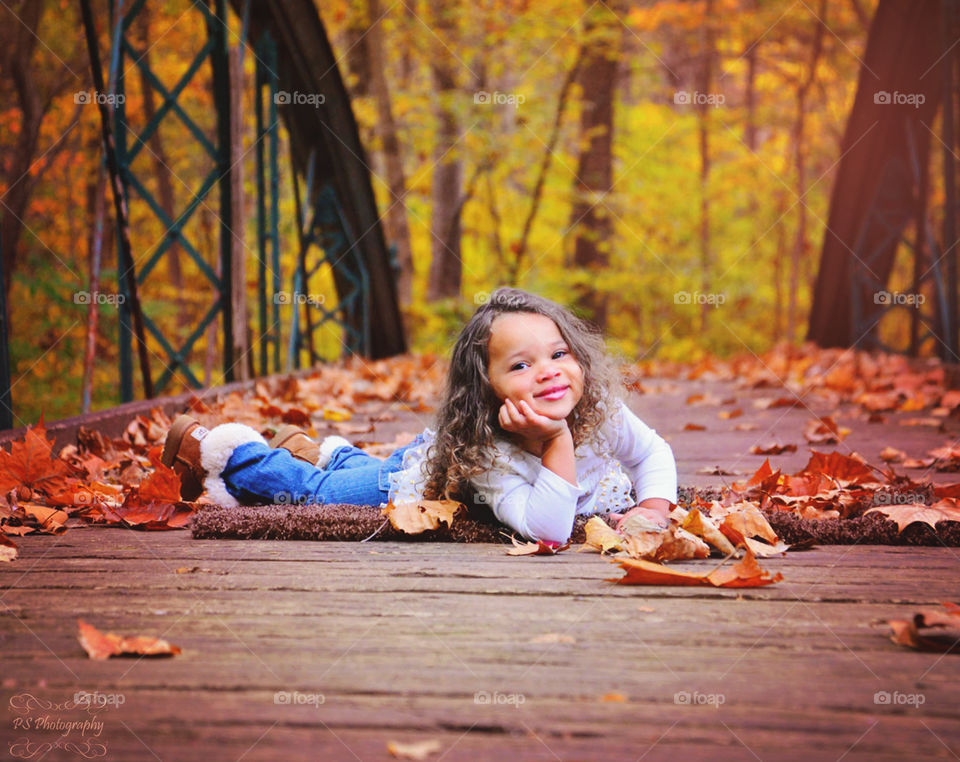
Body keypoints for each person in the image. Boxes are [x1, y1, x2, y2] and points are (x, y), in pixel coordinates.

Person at [162, 288, 677, 544]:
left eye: (559, 355)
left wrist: (654, 507)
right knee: (320, 497)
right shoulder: (487, 455)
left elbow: (652, 452)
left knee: (354, 473)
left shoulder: (601, 411)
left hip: (416, 456)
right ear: (486, 389)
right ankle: (234, 453)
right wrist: (557, 439)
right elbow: (551, 531)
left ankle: (326, 453)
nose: (548, 372)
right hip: (421, 475)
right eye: (521, 365)